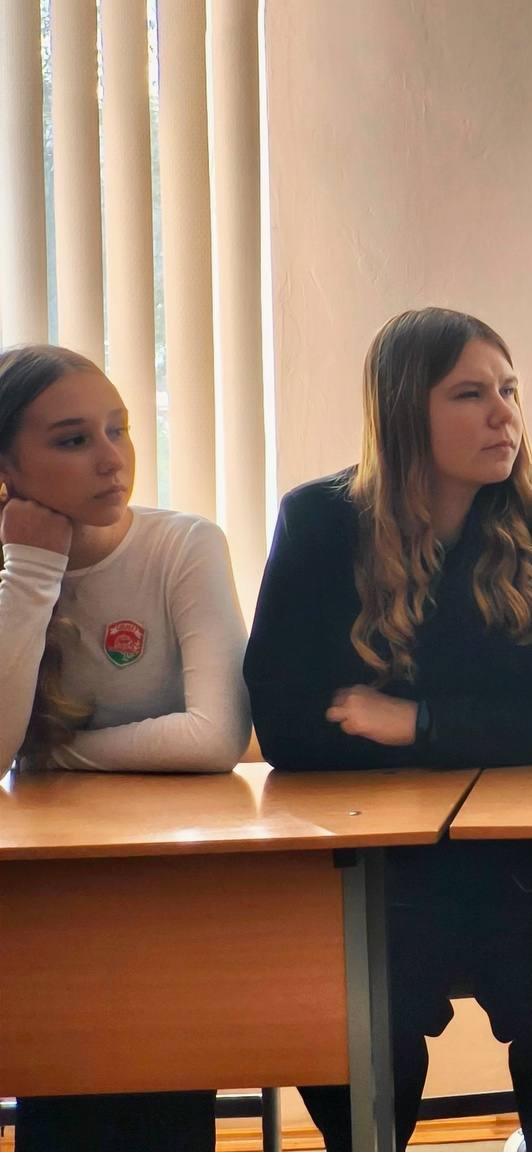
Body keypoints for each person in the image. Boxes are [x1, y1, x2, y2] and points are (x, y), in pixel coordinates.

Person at [244, 308, 532, 1151]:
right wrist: (512, 728)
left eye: (509, 390)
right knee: (356, 1040)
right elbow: (286, 726)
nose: (504, 415)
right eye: (469, 394)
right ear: (402, 411)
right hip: (378, 869)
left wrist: (416, 723)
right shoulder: (319, 521)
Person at [0, 342, 251, 1151]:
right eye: (73, 440)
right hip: (46, 896)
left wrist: (51, 756)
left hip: (175, 890)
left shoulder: (184, 545)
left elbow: (215, 737)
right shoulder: (13, 574)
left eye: (119, 429)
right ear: (7, 469)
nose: (112, 459)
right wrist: (30, 570)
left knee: (158, 1071)